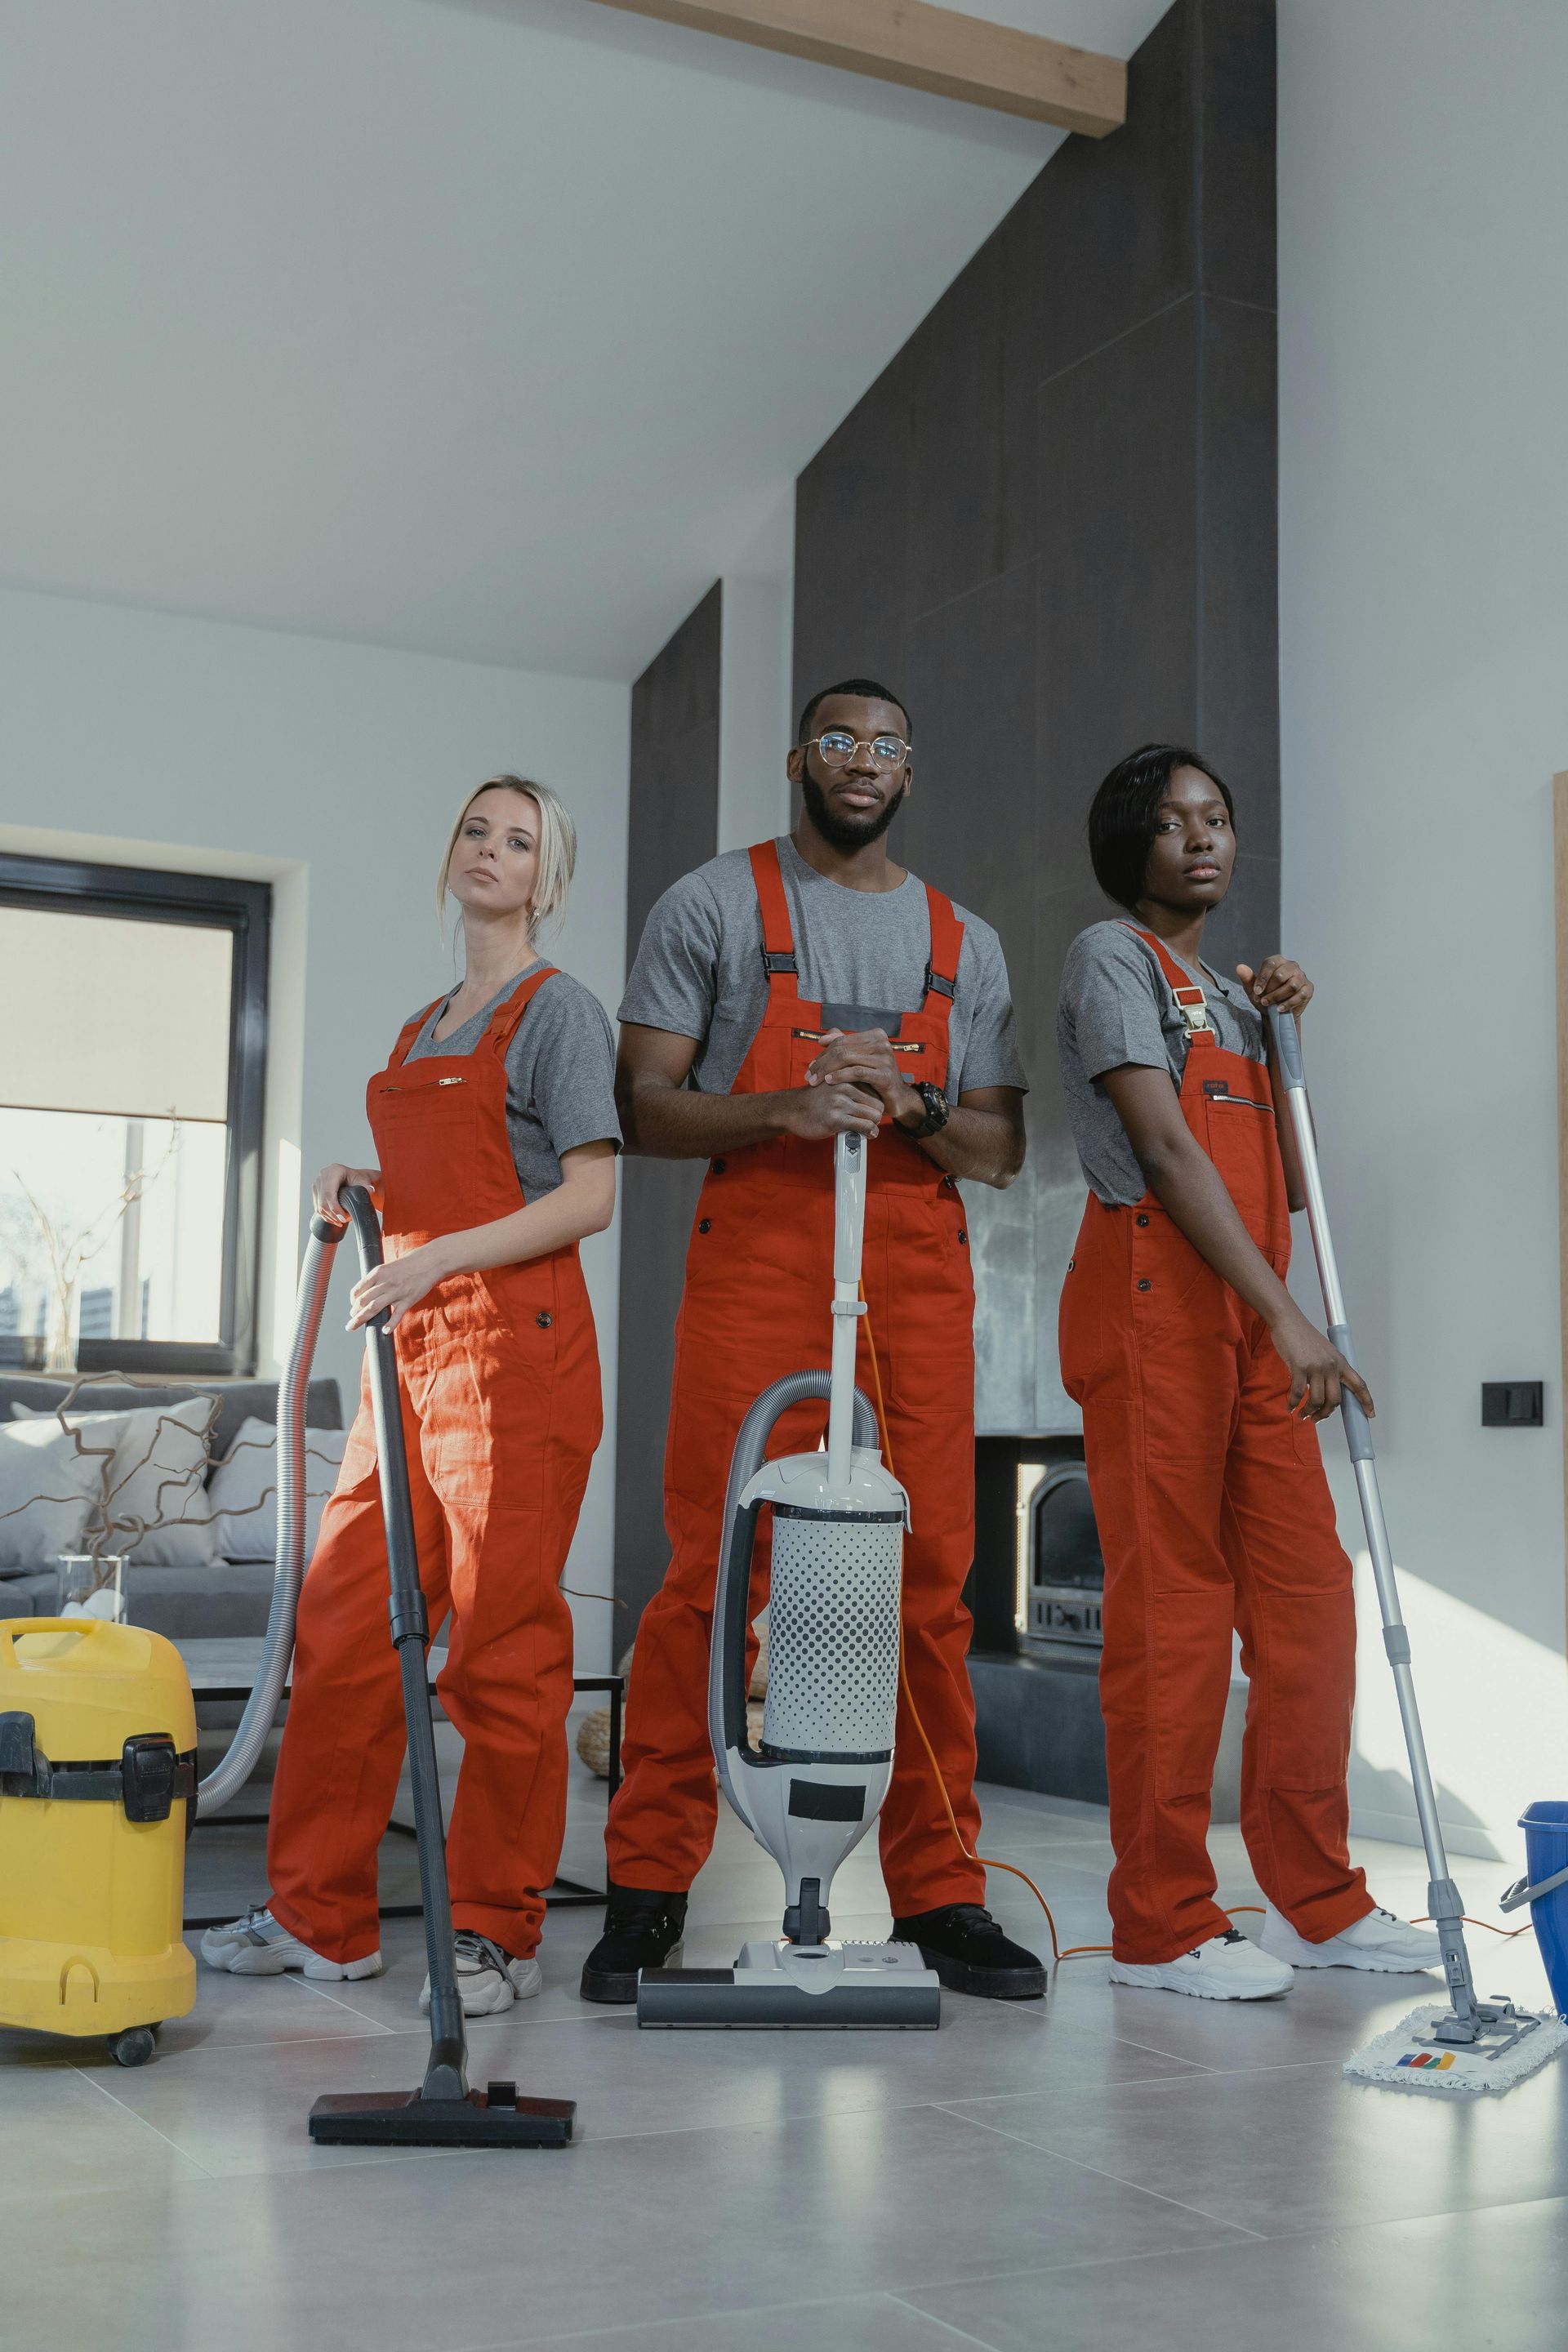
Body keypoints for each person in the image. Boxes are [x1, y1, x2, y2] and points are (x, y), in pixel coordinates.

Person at [581, 678, 1046, 2003]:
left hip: (915, 1272)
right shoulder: (715, 904)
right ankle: (649, 1890)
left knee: (935, 1579)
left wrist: (908, 1107)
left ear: (912, 768)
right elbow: (647, 1109)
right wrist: (788, 1105)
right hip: (761, 1261)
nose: (862, 762)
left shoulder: (969, 940)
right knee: (707, 1572)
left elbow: (1002, 1149)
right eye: (839, 740)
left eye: (887, 745)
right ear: (800, 758)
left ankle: (944, 1894)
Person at [203, 775, 619, 2016]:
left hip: (513, 1357)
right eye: (477, 832)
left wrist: (434, 1254)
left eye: (520, 841)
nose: (491, 852)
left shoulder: (560, 1014)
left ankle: (498, 1929)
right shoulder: (425, 1024)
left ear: (549, 878)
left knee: (499, 1650)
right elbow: (456, 1179)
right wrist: (366, 1180)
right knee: (342, 1631)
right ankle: (318, 1915)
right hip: (410, 1354)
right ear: (451, 855)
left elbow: (588, 1192)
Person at [1056, 743, 1440, 1999]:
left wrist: (1278, 1030)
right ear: (1133, 847)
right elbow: (1167, 1151)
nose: (1204, 839)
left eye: (1217, 819)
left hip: (1246, 1311)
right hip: (1154, 1301)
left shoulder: (1231, 991)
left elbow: (1284, 1165)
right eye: (1174, 824)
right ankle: (1162, 1924)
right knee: (1172, 1616)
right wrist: (1293, 1321)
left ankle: (1315, 1902)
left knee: (1309, 1602)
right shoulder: (1113, 960)